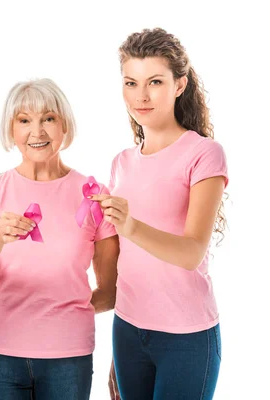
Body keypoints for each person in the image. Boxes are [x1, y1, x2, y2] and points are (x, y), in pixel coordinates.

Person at [91, 28, 228, 400]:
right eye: (131, 83)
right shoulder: (121, 162)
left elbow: (191, 252)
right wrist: (115, 358)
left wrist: (131, 225)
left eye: (155, 81)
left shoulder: (204, 154)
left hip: (186, 336)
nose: (142, 95)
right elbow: (121, 259)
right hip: (129, 331)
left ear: (180, 85)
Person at [0, 78, 119, 400]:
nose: (37, 132)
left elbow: (111, 290)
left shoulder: (95, 195)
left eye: (48, 118)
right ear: (11, 130)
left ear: (65, 126)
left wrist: (64, 310)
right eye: (24, 121)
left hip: (69, 353)